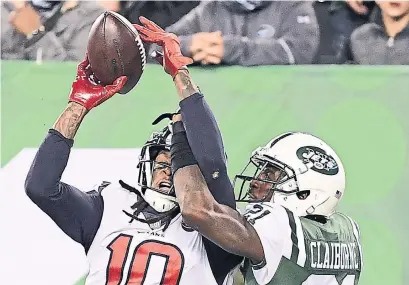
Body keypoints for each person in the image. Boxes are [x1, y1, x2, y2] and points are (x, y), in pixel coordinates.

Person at [134, 17, 363, 285]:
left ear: (306, 192)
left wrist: (181, 139)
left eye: (273, 174)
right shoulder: (347, 231)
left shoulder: (279, 228)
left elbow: (196, 210)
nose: (256, 181)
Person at [24, 18, 242, 284]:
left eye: (177, 169)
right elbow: (41, 187)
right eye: (162, 165)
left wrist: (180, 74)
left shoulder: (215, 226)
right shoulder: (111, 206)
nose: (168, 175)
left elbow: (212, 162)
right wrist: (78, 105)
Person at [162, 1, 319, 66]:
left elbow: (299, 52)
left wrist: (229, 49)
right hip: (220, 109)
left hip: (278, 109)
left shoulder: (293, 4)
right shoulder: (211, 8)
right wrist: (189, 46)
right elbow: (156, 48)